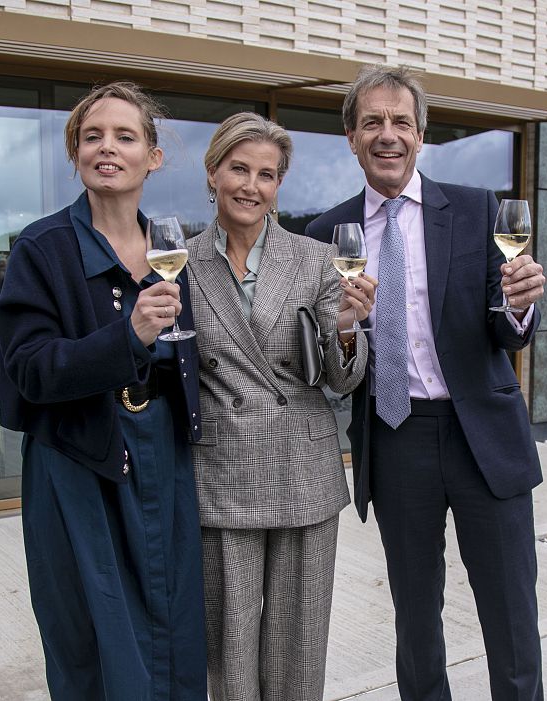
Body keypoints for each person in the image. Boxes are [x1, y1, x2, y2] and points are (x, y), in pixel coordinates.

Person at [304, 65, 547, 700]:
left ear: (420, 135)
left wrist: (518, 304)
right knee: (415, 618)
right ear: (351, 137)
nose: (387, 134)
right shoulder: (325, 235)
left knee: (511, 614)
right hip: (396, 436)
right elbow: (328, 363)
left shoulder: (476, 210)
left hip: (482, 435)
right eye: (372, 123)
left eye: (401, 122)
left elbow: (508, 329)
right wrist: (344, 329)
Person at [0, 81, 208, 700]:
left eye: (124, 136)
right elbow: (29, 369)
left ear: (153, 157)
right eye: (92, 137)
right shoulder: (43, 248)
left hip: (163, 456)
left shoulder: (171, 247)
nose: (106, 147)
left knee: (173, 625)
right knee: (92, 636)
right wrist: (128, 335)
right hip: (77, 461)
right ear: (76, 154)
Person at [187, 112, 372, 701]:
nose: (251, 186)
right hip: (221, 475)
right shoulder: (178, 263)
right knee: (230, 645)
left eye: (266, 175)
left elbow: (342, 380)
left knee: (300, 645)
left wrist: (347, 327)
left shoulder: (316, 259)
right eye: (238, 169)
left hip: (303, 473)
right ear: (213, 172)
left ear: (278, 185)